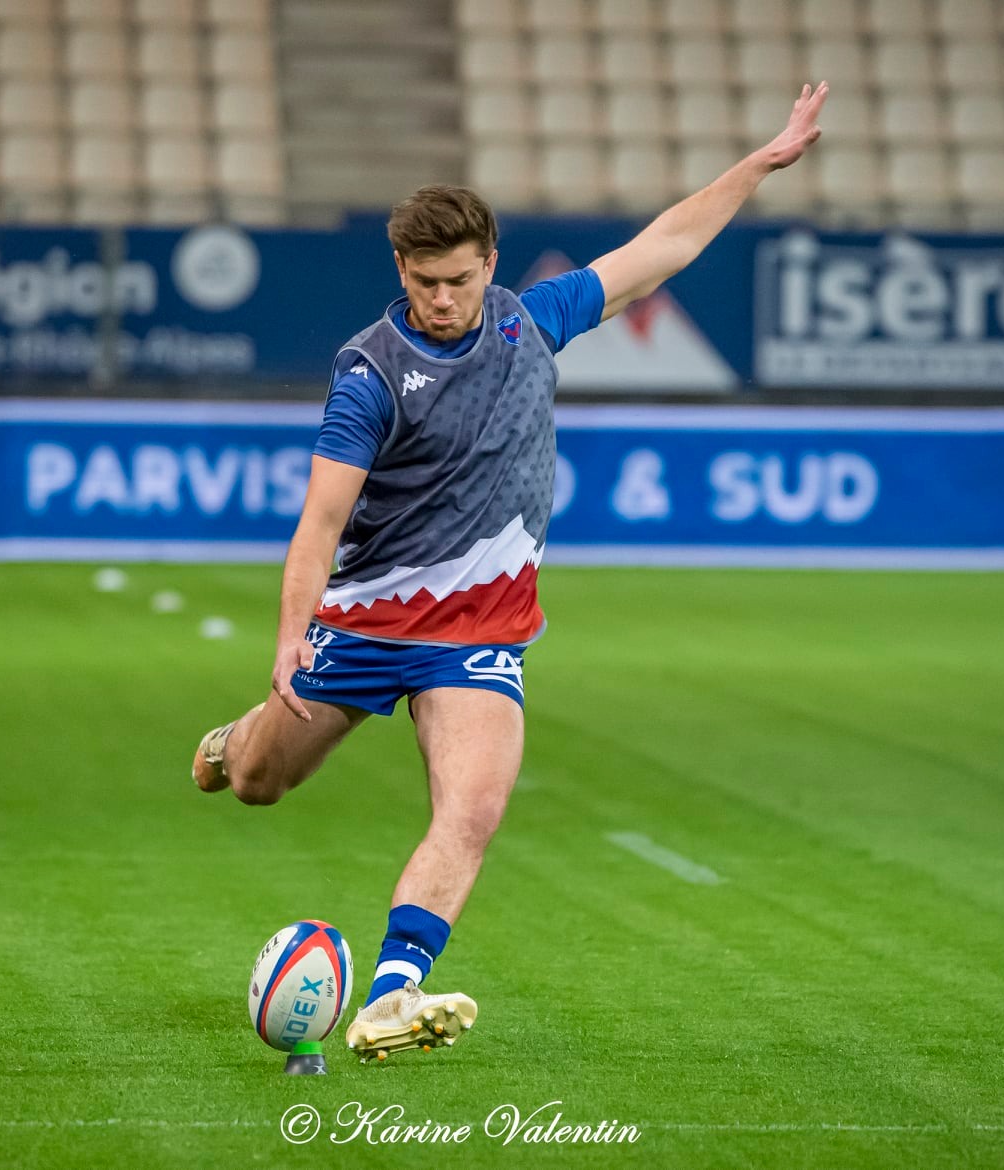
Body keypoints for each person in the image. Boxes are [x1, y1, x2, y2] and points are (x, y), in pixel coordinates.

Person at [193, 82, 830, 1063]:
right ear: (398, 268)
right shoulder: (367, 373)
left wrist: (758, 163)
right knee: (257, 782)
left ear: (488, 265)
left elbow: (661, 248)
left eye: (456, 280)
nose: (439, 300)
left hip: (478, 635)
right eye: (422, 282)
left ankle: (389, 997)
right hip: (366, 623)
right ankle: (232, 740)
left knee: (474, 807)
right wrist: (289, 637)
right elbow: (319, 521)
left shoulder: (530, 324)